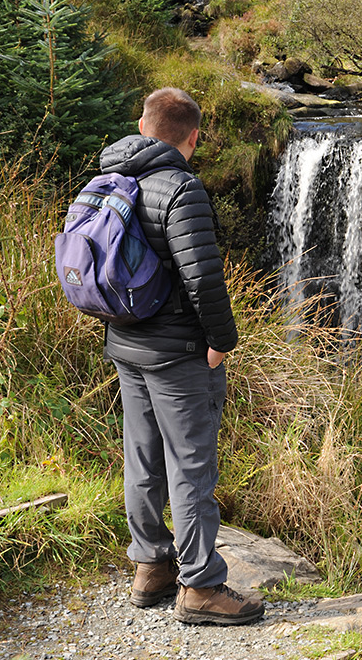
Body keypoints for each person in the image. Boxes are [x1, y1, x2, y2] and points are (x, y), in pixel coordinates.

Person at [98, 87, 263, 625]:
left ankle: (150, 567)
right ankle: (201, 587)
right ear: (193, 137)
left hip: (126, 345)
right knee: (191, 465)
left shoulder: (109, 176)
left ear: (141, 124)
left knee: (142, 457)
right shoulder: (181, 189)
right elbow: (204, 278)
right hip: (178, 354)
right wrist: (222, 341)